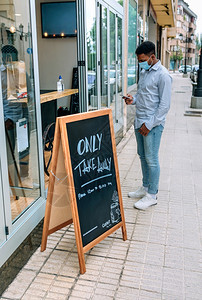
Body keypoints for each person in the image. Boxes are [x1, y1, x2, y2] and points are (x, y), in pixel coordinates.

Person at [123, 41, 172, 210]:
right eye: (138, 60)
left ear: (152, 57)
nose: (140, 63)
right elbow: (144, 95)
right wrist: (133, 100)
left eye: (142, 59)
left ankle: (152, 195)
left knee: (151, 159)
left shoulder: (163, 75)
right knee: (142, 156)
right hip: (139, 120)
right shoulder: (144, 71)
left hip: (152, 124)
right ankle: (145, 187)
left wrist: (149, 125)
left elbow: (164, 106)